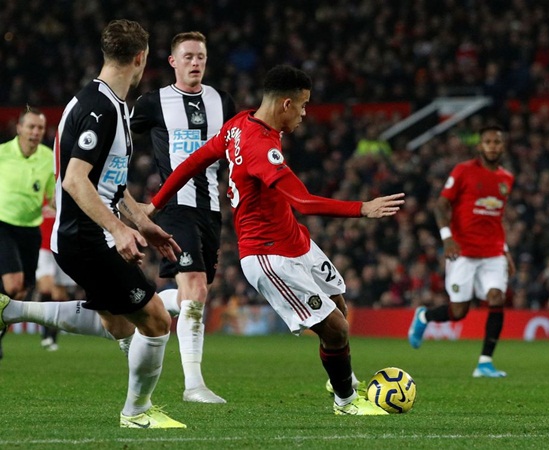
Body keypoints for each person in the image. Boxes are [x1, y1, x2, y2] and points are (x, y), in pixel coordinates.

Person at [146, 64, 405, 415]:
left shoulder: (239, 124)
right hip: (269, 255)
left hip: (296, 240)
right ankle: (346, 402)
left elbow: (193, 162)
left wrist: (155, 203)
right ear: (286, 104)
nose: (304, 113)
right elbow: (303, 201)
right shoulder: (260, 146)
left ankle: (338, 378)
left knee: (338, 306)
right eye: (303, 105)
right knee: (337, 329)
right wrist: (363, 208)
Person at [0, 19, 185, 429]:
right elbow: (75, 180)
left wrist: (141, 222)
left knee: (116, 323)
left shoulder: (110, 104)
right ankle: (136, 412)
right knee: (156, 320)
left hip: (83, 235)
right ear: (141, 59)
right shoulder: (99, 109)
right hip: (86, 237)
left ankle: (10, 310)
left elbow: (111, 185)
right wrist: (118, 229)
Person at [130, 31, 236, 404]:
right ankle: (194, 385)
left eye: (200, 57)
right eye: (188, 56)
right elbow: (121, 135)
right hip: (174, 206)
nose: (195, 62)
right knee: (195, 288)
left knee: (195, 295)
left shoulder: (222, 101)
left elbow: (237, 148)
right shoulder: (153, 102)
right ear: (173, 62)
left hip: (211, 211)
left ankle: (142, 305)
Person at [408, 125, 515, 378]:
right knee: (458, 312)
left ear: (503, 146)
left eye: (497, 142)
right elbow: (440, 205)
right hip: (463, 251)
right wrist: (447, 238)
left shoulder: (506, 178)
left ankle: (485, 363)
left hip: (493, 252)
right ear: (480, 146)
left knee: (497, 297)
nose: (492, 146)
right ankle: (424, 316)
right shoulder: (463, 171)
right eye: (488, 141)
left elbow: (496, 218)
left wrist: (506, 250)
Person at [0, 106, 55, 359]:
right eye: (31, 126)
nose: (35, 132)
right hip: (3, 224)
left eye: (40, 128)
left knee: (22, 292)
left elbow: (52, 197)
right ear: (19, 128)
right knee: (13, 284)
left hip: (31, 228)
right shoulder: (2, 153)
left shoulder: (48, 157)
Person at [35, 202, 80, 351]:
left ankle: (52, 337)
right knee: (46, 288)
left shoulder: (66, 196)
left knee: (60, 296)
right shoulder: (40, 196)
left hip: (62, 248)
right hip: (43, 249)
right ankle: (45, 334)